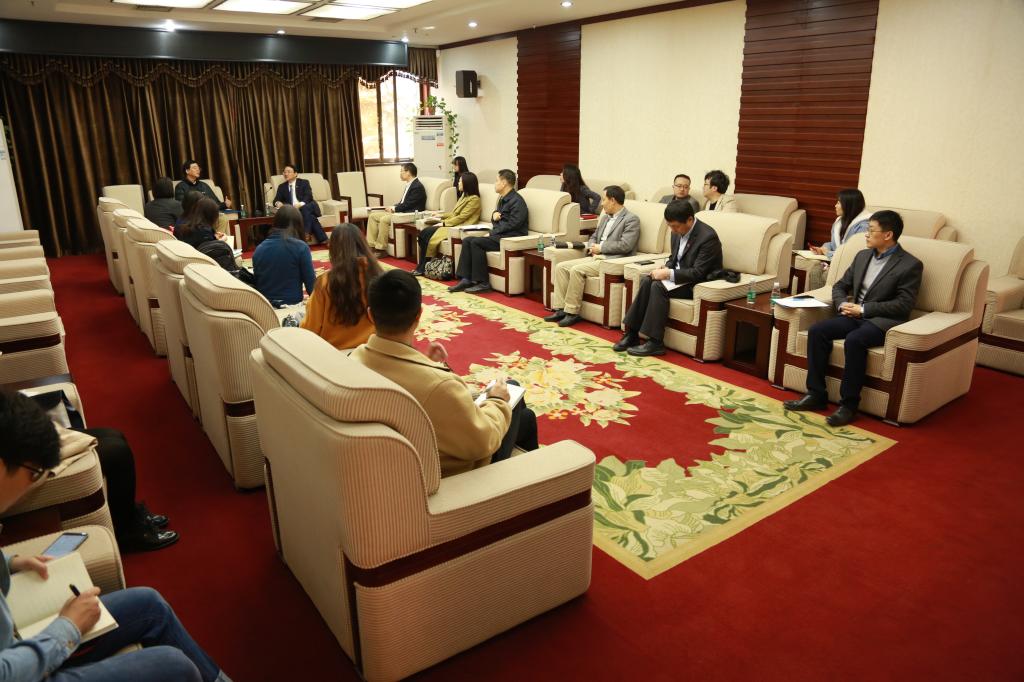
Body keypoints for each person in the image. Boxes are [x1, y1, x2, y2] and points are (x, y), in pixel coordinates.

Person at [0, 390, 231, 682]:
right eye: (34, 473)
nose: (31, 485)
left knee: (149, 605)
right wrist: (69, 627)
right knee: (175, 666)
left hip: (16, 642)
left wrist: (10, 562)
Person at [351, 271, 539, 476]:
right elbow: (484, 442)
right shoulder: (441, 386)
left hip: (396, 460)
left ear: (370, 315)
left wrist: (425, 362)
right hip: (454, 472)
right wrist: (498, 401)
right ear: (419, 315)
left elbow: (406, 376)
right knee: (511, 391)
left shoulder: (355, 358)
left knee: (526, 417)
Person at [784, 210, 923, 427]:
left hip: (881, 321)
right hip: (853, 315)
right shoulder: (862, 256)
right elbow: (840, 286)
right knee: (818, 331)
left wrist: (864, 309)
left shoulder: (909, 264)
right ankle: (816, 394)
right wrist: (842, 304)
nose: (866, 234)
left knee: (855, 340)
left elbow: (904, 305)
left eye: (871, 230)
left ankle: (849, 405)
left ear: (888, 235)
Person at [613, 200, 723, 356]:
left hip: (698, 283)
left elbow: (698, 272)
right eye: (670, 226)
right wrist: (666, 267)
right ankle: (632, 334)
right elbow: (674, 258)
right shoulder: (676, 231)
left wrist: (668, 274)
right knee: (647, 280)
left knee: (658, 286)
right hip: (679, 278)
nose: (673, 230)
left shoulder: (708, 237)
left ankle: (655, 342)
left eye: (675, 226)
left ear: (690, 220)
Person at [544, 185, 640, 327]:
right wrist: (591, 246)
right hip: (595, 256)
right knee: (561, 267)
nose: (602, 203)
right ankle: (560, 309)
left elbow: (626, 245)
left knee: (576, 270)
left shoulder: (631, 219)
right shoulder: (605, 217)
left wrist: (601, 248)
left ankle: (572, 313)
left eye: (604, 199)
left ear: (613, 200)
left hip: (611, 260)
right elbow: (594, 236)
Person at [301, 223, 381, 350]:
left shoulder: (325, 282)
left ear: (333, 249)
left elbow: (310, 328)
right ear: (363, 244)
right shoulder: (380, 277)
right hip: (371, 352)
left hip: (333, 354)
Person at [449, 169, 528, 294]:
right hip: (500, 234)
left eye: (496, 181)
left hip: (510, 237)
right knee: (468, 240)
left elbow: (514, 224)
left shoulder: (517, 201)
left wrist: (492, 233)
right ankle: (466, 279)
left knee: (476, 243)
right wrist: (494, 215)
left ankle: (483, 283)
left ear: (504, 183)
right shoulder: (502, 198)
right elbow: (497, 218)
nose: (494, 184)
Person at [412, 172, 482, 276]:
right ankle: (422, 265)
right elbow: (454, 213)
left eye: (460, 181)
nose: (458, 183)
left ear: (467, 183)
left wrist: (443, 224)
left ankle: (422, 267)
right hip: (452, 223)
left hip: (458, 226)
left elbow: (461, 217)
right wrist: (440, 215)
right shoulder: (464, 196)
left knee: (427, 234)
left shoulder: (474, 199)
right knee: (423, 234)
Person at [252, 206, 315, 307]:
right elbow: (312, 288)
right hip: (292, 308)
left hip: (265, 308)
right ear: (298, 225)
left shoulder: (259, 249)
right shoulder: (300, 248)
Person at [366, 162, 427, 258]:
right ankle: (371, 246)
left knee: (384, 219)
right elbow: (403, 202)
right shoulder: (410, 184)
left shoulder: (417, 187)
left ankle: (381, 249)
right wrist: (393, 207)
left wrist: (394, 208)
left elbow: (408, 205)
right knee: (372, 216)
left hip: (409, 214)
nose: (400, 173)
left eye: (402, 171)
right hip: (401, 211)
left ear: (408, 172)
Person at [271, 163, 327, 245]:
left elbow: (309, 196)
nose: (286, 174)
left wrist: (300, 204)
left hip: (308, 206)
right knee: (312, 218)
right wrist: (277, 203)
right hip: (296, 211)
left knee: (304, 208)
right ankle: (324, 239)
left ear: (295, 174)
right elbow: (275, 200)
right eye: (284, 172)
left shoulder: (304, 182)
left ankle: (306, 233)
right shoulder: (282, 187)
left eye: (289, 172)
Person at [810, 188, 872, 258]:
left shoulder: (864, 226)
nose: (835, 206)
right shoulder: (839, 222)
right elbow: (834, 245)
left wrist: (829, 253)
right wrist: (822, 249)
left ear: (848, 205)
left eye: (838, 203)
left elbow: (855, 253)